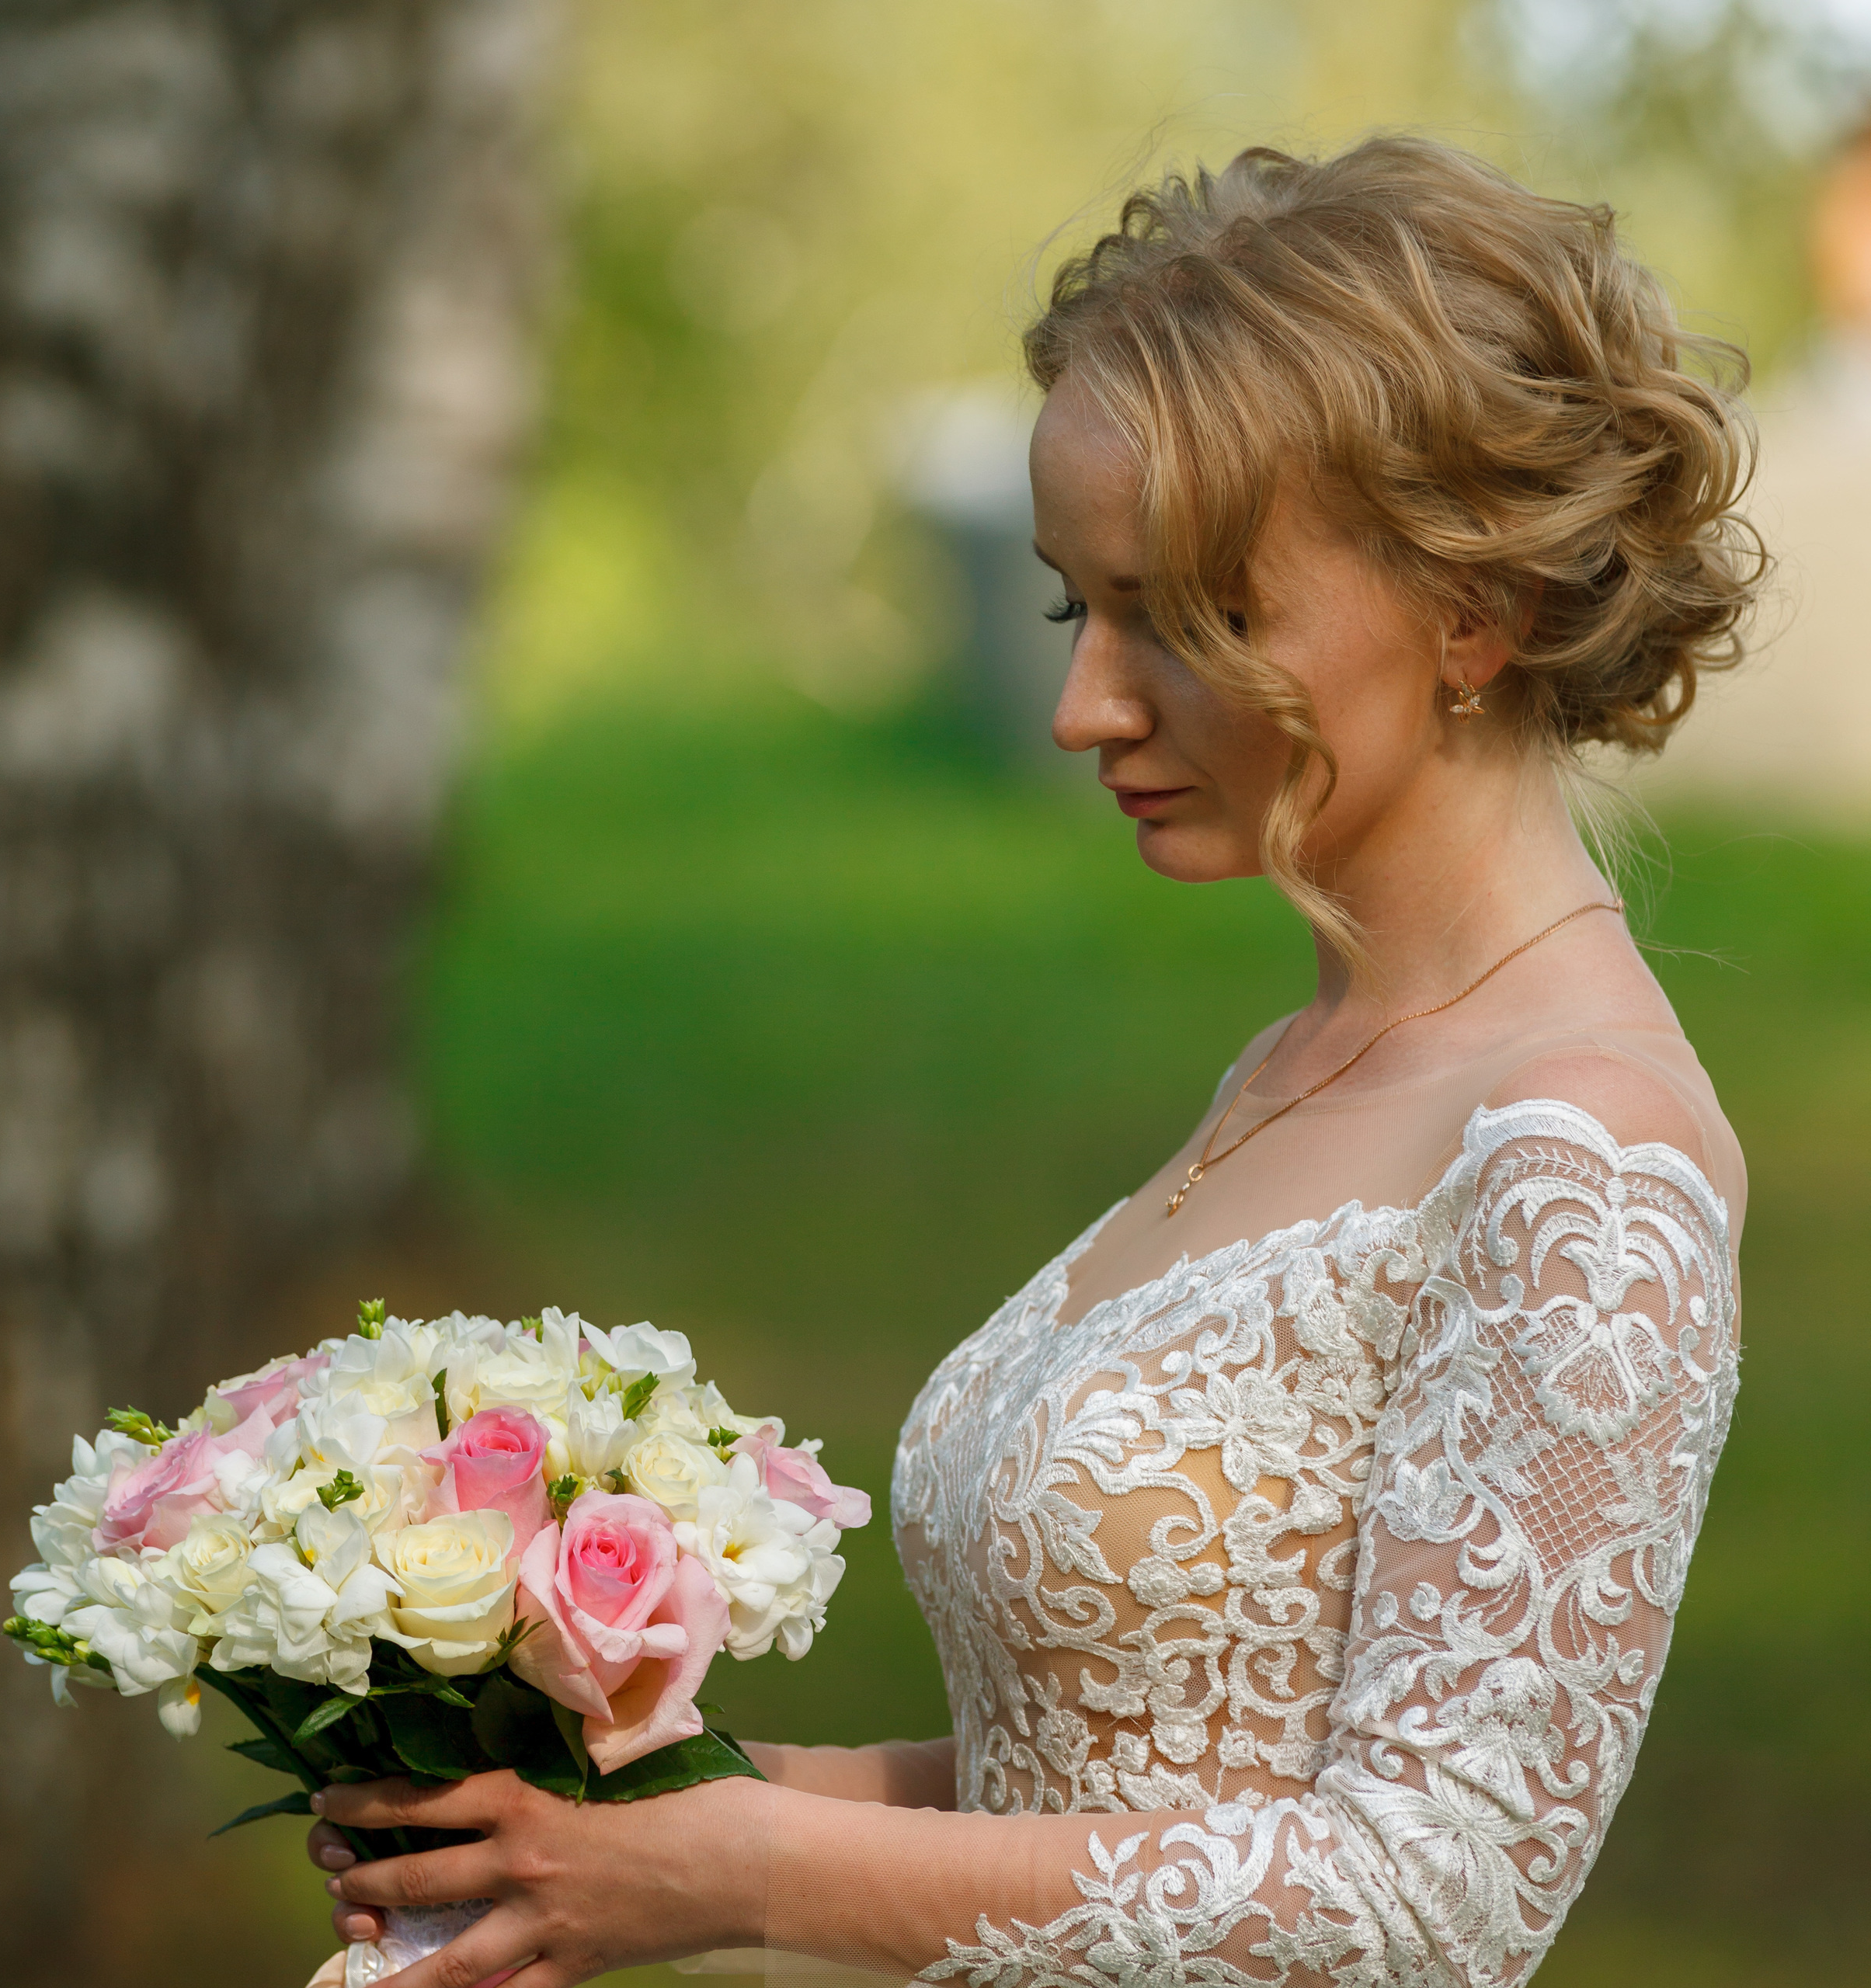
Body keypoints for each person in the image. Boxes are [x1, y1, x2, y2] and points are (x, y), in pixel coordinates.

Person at [301, 134, 1757, 1988]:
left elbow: (1420, 1900)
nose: (1085, 704)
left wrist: (751, 1868)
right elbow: (1108, 1773)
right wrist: (643, 1819)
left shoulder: (1583, 1154)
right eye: (1082, 607)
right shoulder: (1300, 1061)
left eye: (1187, 616)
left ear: (1473, 609)